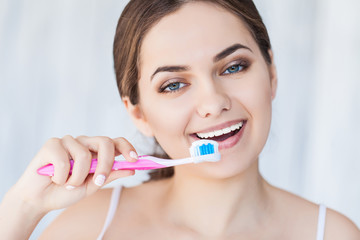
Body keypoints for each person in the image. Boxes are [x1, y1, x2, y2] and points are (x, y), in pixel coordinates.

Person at [1, 0, 359, 239]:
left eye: (234, 66)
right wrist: (23, 206)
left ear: (272, 74)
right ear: (137, 113)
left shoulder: (333, 234)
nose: (214, 102)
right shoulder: (92, 226)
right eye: (174, 85)